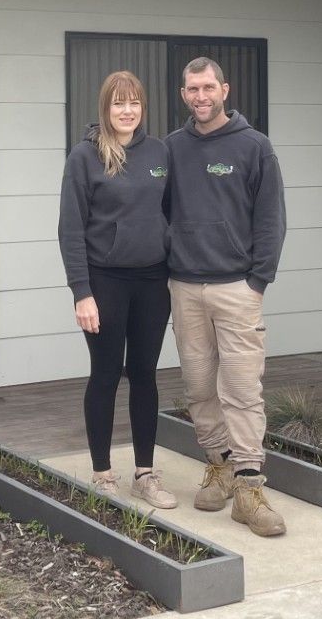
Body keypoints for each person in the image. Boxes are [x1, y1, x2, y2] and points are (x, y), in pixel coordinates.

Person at [165, 56, 288, 537]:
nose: (201, 96)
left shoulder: (254, 147)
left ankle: (250, 488)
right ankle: (218, 465)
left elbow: (271, 218)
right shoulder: (171, 149)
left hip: (237, 287)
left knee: (241, 389)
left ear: (225, 90)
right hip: (184, 286)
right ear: (184, 95)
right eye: (192, 89)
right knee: (198, 387)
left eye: (208, 87)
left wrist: (258, 280)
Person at [57, 69, 178, 509]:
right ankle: (103, 474)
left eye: (135, 103)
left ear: (142, 107)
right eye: (118, 103)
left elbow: (169, 212)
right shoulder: (85, 157)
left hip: (152, 280)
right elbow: (70, 230)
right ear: (105, 108)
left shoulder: (159, 152)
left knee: (145, 373)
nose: (127, 111)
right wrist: (81, 292)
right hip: (104, 281)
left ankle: (145, 473)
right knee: (106, 374)